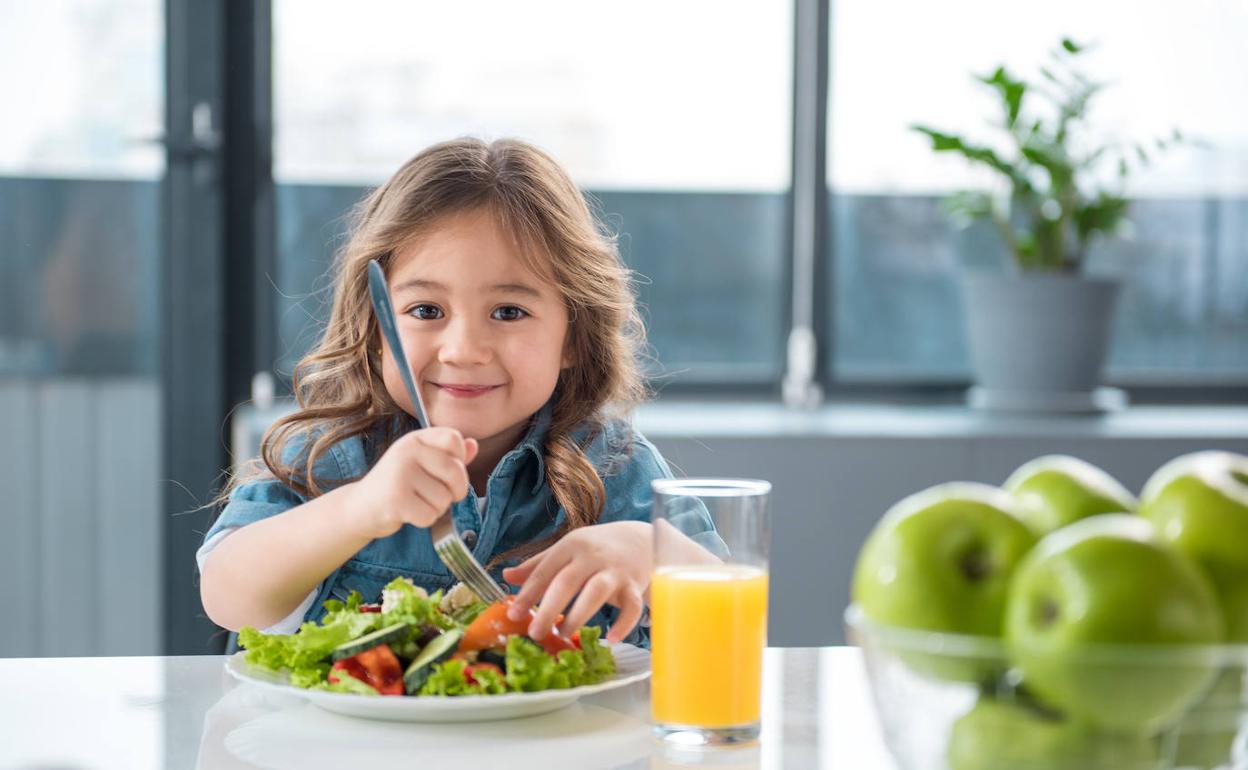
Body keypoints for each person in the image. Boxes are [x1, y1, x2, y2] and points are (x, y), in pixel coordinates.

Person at [199, 137, 718, 647]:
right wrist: (358, 509)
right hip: (348, 737)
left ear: (574, 338)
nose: (464, 349)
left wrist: (653, 553)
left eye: (509, 312)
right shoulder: (328, 454)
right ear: (375, 330)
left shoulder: (614, 466)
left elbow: (727, 619)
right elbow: (226, 596)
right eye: (427, 311)